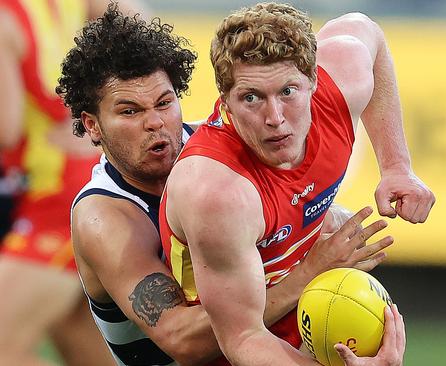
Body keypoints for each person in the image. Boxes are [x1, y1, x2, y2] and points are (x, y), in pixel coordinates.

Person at [59, 4, 393, 365]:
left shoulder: (216, 154)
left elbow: (364, 34)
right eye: (130, 111)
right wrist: (309, 270)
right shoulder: (105, 216)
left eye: (164, 102)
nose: (155, 122)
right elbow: (182, 339)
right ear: (92, 125)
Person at [161, 2, 435, 365]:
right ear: (225, 100)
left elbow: (367, 32)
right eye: (252, 98)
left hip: (309, 321)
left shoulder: (342, 80)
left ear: (314, 81)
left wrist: (397, 167)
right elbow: (242, 338)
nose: (275, 118)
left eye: (288, 91)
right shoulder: (217, 190)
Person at [0, 0, 141, 364]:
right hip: (77, 186)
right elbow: (137, 27)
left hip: (54, 199)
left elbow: (7, 128)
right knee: (80, 343)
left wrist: (96, 117)